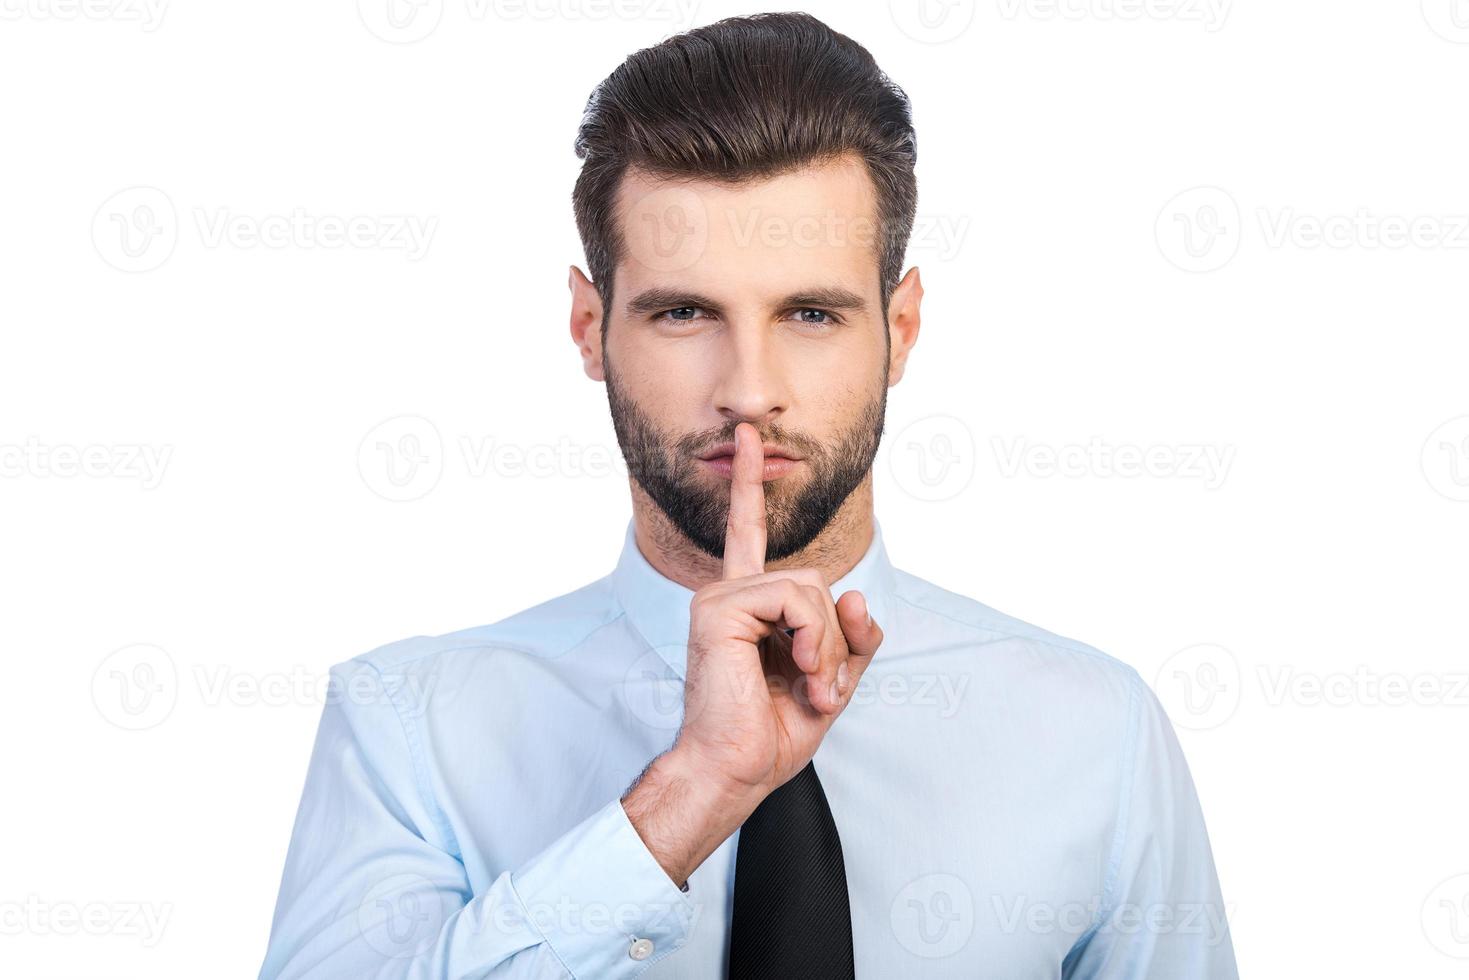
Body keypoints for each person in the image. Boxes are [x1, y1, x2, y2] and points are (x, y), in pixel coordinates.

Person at [258, 12, 1237, 978]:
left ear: (900, 328)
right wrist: (687, 794)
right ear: (588, 325)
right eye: (685, 311)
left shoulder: (1094, 731)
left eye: (810, 312)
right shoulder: (408, 726)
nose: (747, 389)